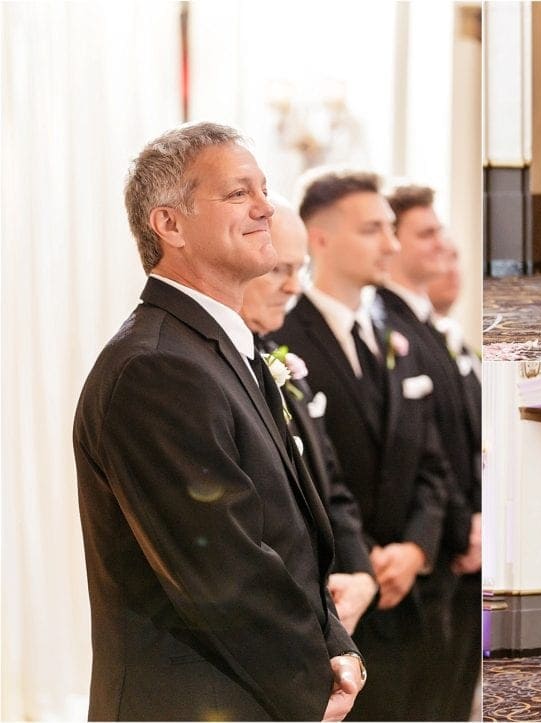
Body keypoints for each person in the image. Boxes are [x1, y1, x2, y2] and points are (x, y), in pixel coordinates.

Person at [73, 122, 365, 721]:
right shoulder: (154, 367)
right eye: (238, 194)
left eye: (264, 189)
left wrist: (334, 642)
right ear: (170, 225)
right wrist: (315, 683)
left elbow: (288, 534)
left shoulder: (215, 346)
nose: (265, 209)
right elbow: (222, 565)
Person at [275, 170, 450, 721]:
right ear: (319, 238)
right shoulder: (280, 337)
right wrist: (365, 566)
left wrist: (416, 548)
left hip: (413, 596)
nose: (392, 245)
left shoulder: (393, 334)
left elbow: (432, 461)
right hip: (336, 602)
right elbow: (304, 475)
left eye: (392, 229)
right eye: (374, 229)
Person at [239, 199, 378, 634]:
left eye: (301, 271)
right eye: (280, 269)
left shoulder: (278, 358)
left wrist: (359, 574)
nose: (295, 287)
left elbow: (330, 484)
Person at [380, 185, 482, 720]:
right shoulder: (392, 330)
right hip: (432, 549)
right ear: (388, 243)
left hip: (458, 549)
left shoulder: (431, 330)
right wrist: (465, 526)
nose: (443, 244)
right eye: (428, 233)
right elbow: (426, 444)